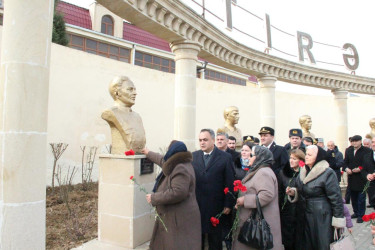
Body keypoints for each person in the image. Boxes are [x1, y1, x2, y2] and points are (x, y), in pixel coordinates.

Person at [141, 141, 201, 249]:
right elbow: (162, 160)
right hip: (177, 215)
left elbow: (178, 192)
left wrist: (154, 198)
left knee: (176, 245)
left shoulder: (180, 168)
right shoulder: (178, 163)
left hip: (179, 217)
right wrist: (148, 152)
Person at [286, 145, 345, 250]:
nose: (306, 157)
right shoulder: (303, 171)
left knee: (320, 244)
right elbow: (302, 189)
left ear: (318, 157)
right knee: (306, 244)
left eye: (309, 155)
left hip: (321, 216)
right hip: (304, 214)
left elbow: (336, 198)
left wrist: (338, 220)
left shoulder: (327, 173)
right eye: (306, 154)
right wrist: (293, 192)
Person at [232, 145, 282, 250]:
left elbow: (266, 195)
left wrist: (244, 200)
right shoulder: (259, 170)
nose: (249, 157)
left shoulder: (263, 172)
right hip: (254, 219)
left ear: (259, 157)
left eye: (252, 155)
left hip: (258, 223)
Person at [192, 129, 235, 250]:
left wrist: (228, 204)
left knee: (215, 238)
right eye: (200, 140)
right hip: (197, 203)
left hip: (216, 205)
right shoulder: (194, 156)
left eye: (205, 140)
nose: (202, 143)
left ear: (213, 140)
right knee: (197, 236)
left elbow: (229, 182)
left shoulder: (225, 157)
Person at [101, 76, 146, 154]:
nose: (135, 93)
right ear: (117, 92)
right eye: (130, 89)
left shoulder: (137, 116)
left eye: (134, 90)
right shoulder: (110, 113)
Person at [279, 149, 305, 250]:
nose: (291, 160)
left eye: (294, 159)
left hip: (301, 211)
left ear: (301, 160)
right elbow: (279, 192)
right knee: (288, 242)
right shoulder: (283, 173)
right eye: (290, 158)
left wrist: (295, 192)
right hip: (287, 212)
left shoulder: (305, 173)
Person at [344, 135, 372, 223]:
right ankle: (356, 212)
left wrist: (360, 168)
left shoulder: (367, 151)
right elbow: (345, 162)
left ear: (360, 141)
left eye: (356, 141)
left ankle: (361, 215)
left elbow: (368, 163)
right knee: (354, 197)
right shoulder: (348, 150)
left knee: (361, 197)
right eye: (353, 141)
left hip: (362, 178)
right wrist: (346, 169)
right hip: (352, 177)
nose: (354, 143)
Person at [362, 137, 375, 209]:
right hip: (372, 188)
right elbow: (363, 169)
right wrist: (367, 175)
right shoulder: (366, 156)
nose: (374, 144)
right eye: (373, 142)